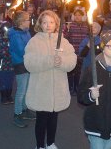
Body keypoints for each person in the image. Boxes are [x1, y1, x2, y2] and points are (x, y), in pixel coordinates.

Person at [24, 10, 77, 149]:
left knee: (54, 118)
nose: (48, 25)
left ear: (56, 24)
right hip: (41, 89)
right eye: (45, 22)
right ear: (40, 24)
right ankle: (40, 145)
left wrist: (62, 62)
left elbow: (72, 60)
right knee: (41, 119)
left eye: (51, 22)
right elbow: (29, 63)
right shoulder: (34, 42)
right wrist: (49, 60)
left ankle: (50, 143)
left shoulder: (63, 41)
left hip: (58, 89)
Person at [8, 11, 35, 128]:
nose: (30, 21)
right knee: (21, 91)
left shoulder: (26, 32)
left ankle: (24, 110)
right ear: (21, 22)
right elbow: (21, 50)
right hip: (20, 64)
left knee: (27, 89)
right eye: (27, 19)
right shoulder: (15, 35)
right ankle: (17, 114)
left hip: (28, 63)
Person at [64, 8, 88, 96]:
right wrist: (67, 29)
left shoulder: (86, 25)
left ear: (82, 16)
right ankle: (70, 87)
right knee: (70, 70)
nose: (78, 17)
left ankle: (77, 87)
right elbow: (65, 37)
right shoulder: (71, 25)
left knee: (79, 72)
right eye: (76, 15)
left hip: (81, 52)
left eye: (79, 15)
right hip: (72, 52)